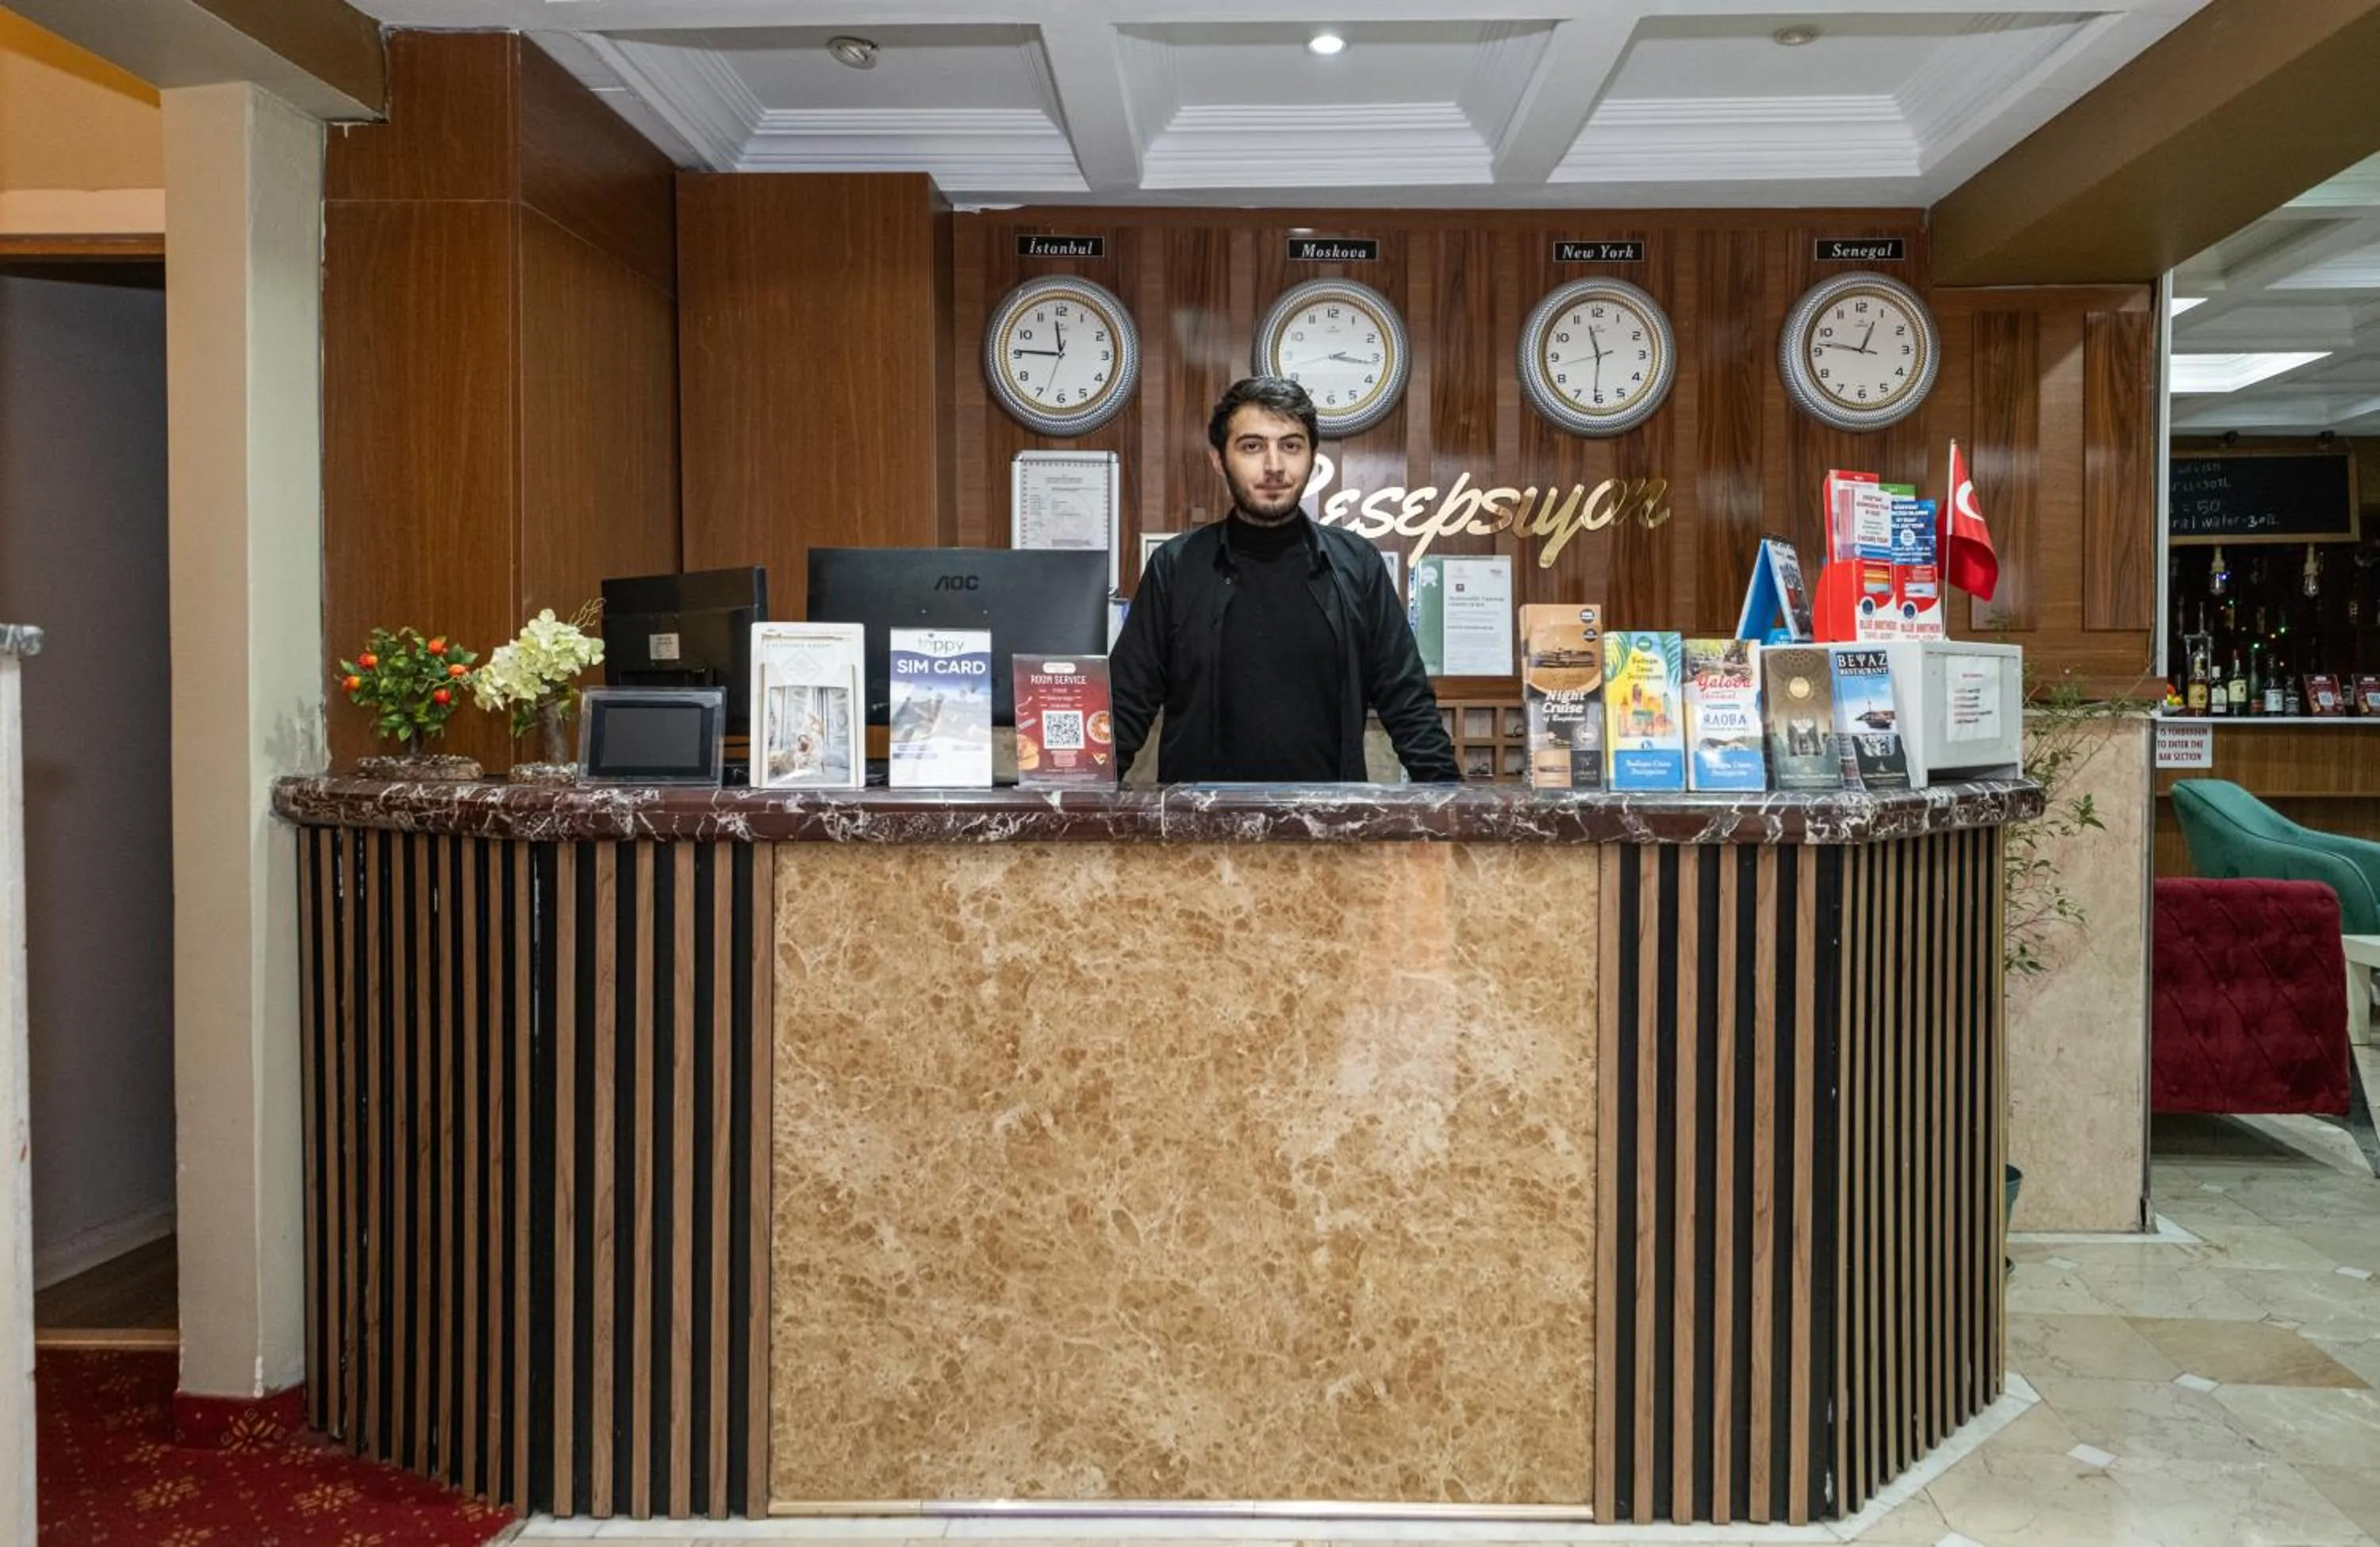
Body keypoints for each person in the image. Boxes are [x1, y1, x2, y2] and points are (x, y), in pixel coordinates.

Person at [1110, 376, 1461, 783]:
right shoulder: (1176, 566)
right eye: (1252, 446)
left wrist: (1448, 803)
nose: (1274, 466)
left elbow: (1406, 699)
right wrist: (1076, 804)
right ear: (1219, 460)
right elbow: (1126, 703)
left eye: (1291, 446)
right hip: (1202, 831)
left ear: (1312, 458)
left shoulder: (1357, 565)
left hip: (1327, 826)